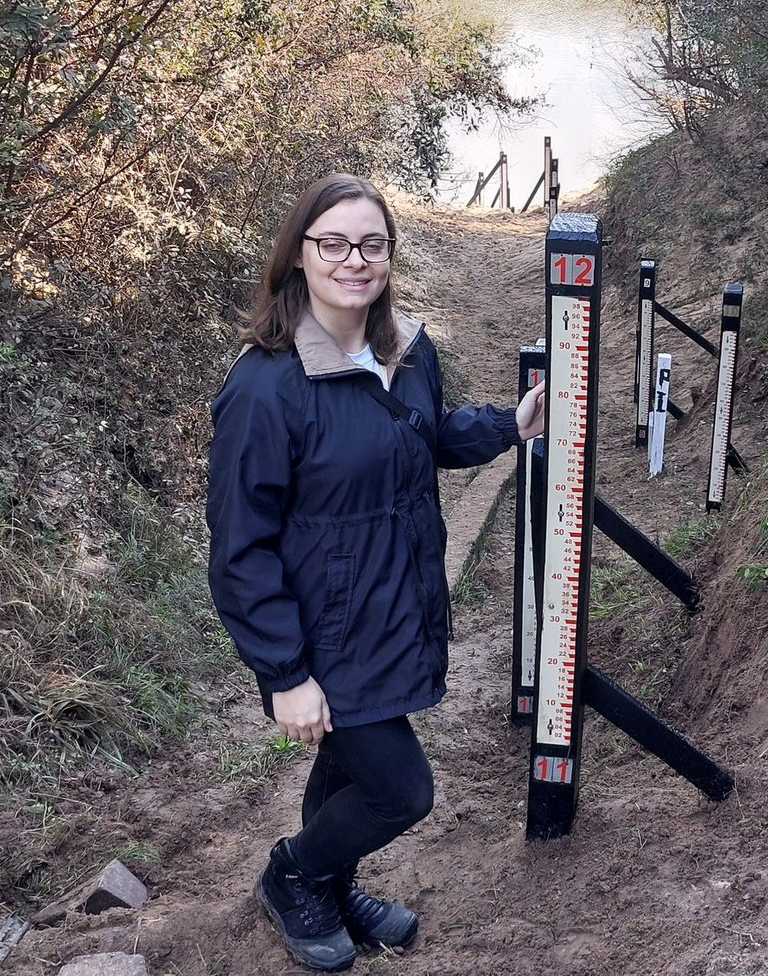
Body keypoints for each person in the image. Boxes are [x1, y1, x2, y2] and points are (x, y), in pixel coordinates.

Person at [206, 173, 546, 971]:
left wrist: (507, 425)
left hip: (397, 605)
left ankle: (329, 882)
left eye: (372, 244)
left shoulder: (405, 349)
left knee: (344, 759)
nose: (354, 260)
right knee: (401, 791)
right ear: (298, 256)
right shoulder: (266, 387)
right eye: (333, 244)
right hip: (325, 632)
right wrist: (286, 672)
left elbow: (416, 439)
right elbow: (238, 547)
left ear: (389, 254)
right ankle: (294, 876)